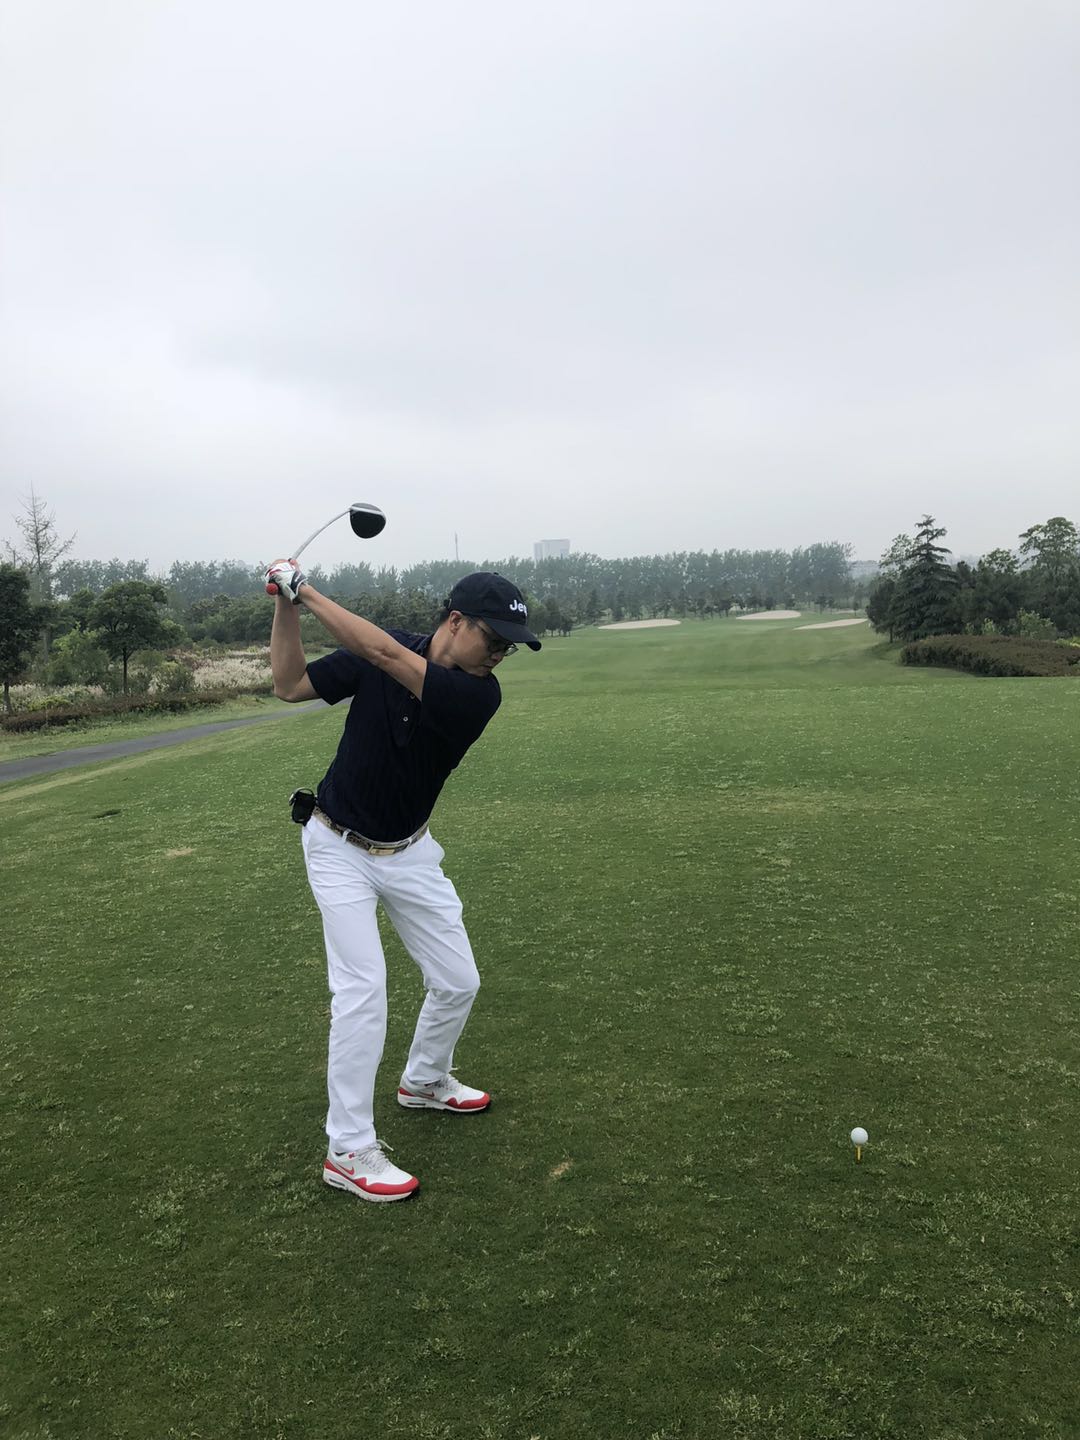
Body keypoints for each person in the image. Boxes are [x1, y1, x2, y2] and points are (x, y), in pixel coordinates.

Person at [265, 560, 541, 1202]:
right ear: (455, 621)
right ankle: (348, 1149)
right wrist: (284, 603)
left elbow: (384, 655)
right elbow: (289, 684)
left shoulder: (478, 695)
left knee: (458, 980)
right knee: (362, 990)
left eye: (509, 646)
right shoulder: (380, 649)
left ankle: (423, 1081)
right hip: (337, 846)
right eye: (494, 638)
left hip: (411, 853)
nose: (500, 653)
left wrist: (306, 590)